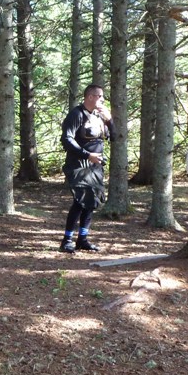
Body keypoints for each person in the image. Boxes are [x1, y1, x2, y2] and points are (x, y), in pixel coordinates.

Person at [59, 84, 114, 253]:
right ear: (90, 97)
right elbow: (67, 139)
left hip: (95, 166)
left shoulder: (99, 115)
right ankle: (67, 240)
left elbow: (114, 137)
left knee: (91, 202)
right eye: (100, 96)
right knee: (80, 201)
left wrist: (109, 119)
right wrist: (86, 154)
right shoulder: (76, 114)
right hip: (79, 165)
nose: (103, 99)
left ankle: (82, 239)